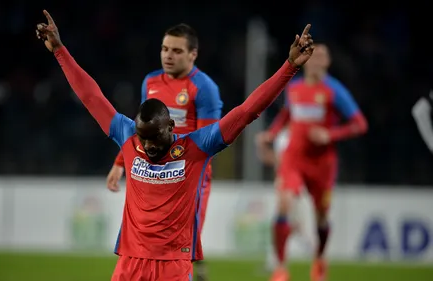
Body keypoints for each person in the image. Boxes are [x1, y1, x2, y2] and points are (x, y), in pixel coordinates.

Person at [36, 10, 314, 281]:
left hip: (173, 266)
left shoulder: (196, 147)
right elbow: (91, 96)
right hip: (129, 263)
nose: (148, 146)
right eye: (143, 138)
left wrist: (289, 67)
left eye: (154, 138)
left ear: (171, 128)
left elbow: (246, 112)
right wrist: (59, 50)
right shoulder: (130, 137)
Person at [105, 23, 223, 281]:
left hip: (187, 177)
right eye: (165, 49)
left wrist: (176, 160)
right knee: (142, 242)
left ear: (193, 54)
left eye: (177, 51)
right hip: (153, 168)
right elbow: (141, 128)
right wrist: (119, 162)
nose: (168, 55)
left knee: (180, 251)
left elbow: (208, 141)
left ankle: (193, 271)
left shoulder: (204, 89)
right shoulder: (151, 81)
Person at [260, 43, 368, 281]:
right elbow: (288, 114)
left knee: (321, 217)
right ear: (306, 60)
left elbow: (360, 124)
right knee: (283, 205)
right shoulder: (294, 88)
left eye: (322, 56)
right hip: (293, 158)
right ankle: (280, 268)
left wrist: (331, 135)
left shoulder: (335, 91)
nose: (317, 60)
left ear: (328, 62)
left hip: (322, 164)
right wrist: (273, 132)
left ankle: (319, 259)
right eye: (314, 55)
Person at [255, 127, 313, 273]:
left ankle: (316, 257)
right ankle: (275, 261)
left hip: (295, 186)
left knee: (294, 226)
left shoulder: (300, 134)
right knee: (285, 224)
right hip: (284, 184)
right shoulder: (282, 136)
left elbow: (291, 161)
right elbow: (273, 160)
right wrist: (261, 147)